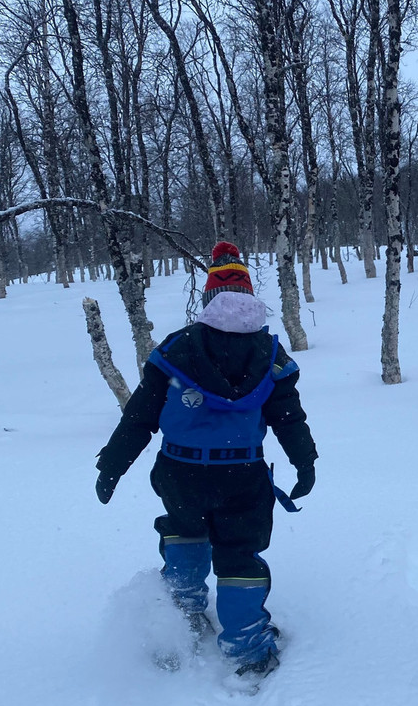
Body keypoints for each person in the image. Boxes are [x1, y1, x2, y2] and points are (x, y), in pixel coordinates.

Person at [95, 241, 318, 681]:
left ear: (208, 298)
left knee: (183, 533)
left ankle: (183, 620)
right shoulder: (271, 355)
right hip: (243, 474)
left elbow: (140, 416)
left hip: (180, 471)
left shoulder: (176, 349)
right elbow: (288, 418)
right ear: (250, 297)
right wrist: (305, 462)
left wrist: (112, 465)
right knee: (238, 554)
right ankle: (248, 647)